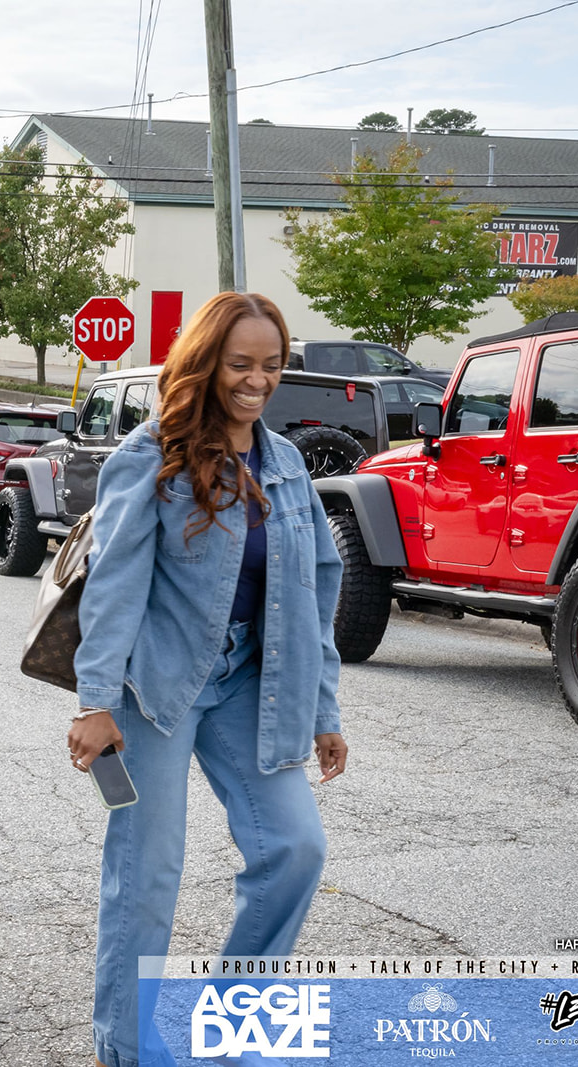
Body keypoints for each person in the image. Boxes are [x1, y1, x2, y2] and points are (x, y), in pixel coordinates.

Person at [66, 292, 350, 1067]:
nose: (258, 380)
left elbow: (317, 590)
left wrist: (324, 708)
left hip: (251, 678)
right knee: (148, 871)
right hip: (156, 684)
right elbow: (114, 581)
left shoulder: (285, 465)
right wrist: (95, 701)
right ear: (206, 362)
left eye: (272, 364)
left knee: (296, 848)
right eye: (240, 364)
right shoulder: (151, 454)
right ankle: (126, 1048)